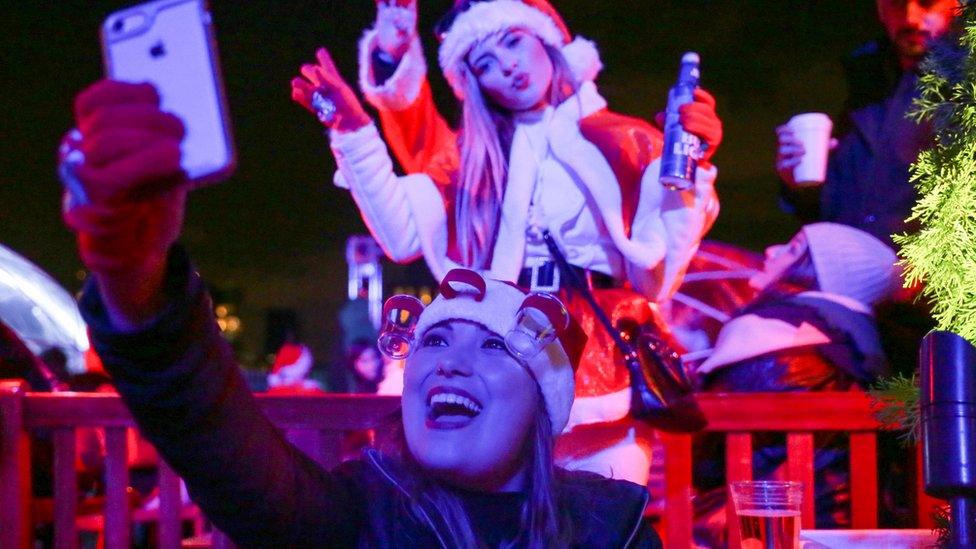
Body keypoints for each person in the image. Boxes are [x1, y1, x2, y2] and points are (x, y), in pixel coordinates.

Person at [59, 78, 662, 546]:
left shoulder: (612, 528)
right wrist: (136, 277)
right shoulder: (353, 515)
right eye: (434, 341)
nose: (448, 363)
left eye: (493, 345)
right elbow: (211, 438)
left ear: (546, 402)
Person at [291, 0, 723, 485]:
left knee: (603, 522)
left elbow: (658, 274)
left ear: (546, 40)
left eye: (513, 41)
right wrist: (353, 133)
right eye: (485, 64)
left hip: (598, 353)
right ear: (474, 83)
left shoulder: (626, 138)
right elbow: (401, 233)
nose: (507, 67)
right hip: (502, 343)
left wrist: (693, 170)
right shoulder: (470, 153)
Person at [690, 222, 901, 547]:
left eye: (792, 248)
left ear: (817, 272)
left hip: (762, 528)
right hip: (856, 527)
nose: (771, 251)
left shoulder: (766, 334)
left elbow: (706, 459)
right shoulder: (868, 352)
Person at [776, 0, 958, 246]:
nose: (910, 18)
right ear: (881, 9)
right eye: (897, 4)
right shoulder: (856, 78)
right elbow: (831, 209)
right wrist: (797, 183)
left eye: (926, 3)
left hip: (924, 279)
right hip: (839, 268)